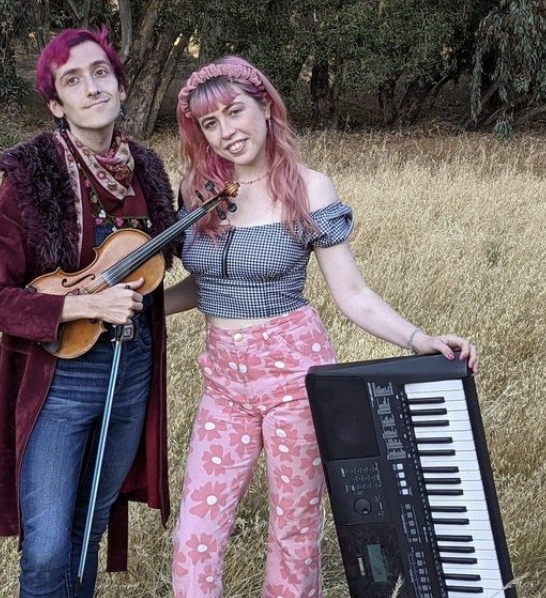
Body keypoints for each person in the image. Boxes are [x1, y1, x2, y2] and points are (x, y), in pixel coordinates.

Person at [165, 56, 479, 598]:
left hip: (294, 375)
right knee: (196, 533)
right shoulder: (197, 191)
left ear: (265, 106)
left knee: (293, 531)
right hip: (224, 380)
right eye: (209, 124)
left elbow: (351, 293)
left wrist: (418, 338)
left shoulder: (310, 190)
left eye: (235, 112)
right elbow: (210, 284)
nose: (225, 133)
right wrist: (134, 304)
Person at [0, 27, 177, 598]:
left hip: (131, 370)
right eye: (73, 80)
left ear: (121, 86)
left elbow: (171, 266)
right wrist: (84, 304)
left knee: (90, 528)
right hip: (59, 377)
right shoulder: (31, 176)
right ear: (57, 104)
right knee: (46, 550)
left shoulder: (151, 173)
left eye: (101, 73)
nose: (92, 88)